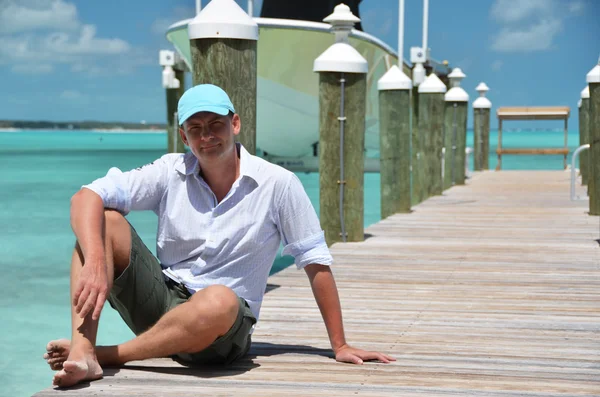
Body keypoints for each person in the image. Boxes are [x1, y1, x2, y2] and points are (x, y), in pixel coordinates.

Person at [44, 84, 395, 388]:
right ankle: (83, 349)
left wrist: (340, 344)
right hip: (163, 306)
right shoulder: (170, 171)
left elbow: (314, 261)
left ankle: (108, 354)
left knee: (219, 300)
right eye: (195, 128)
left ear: (235, 124)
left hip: (222, 329)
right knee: (102, 222)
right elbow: (86, 196)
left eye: (215, 124)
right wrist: (95, 261)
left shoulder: (278, 184)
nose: (206, 135)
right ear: (184, 136)